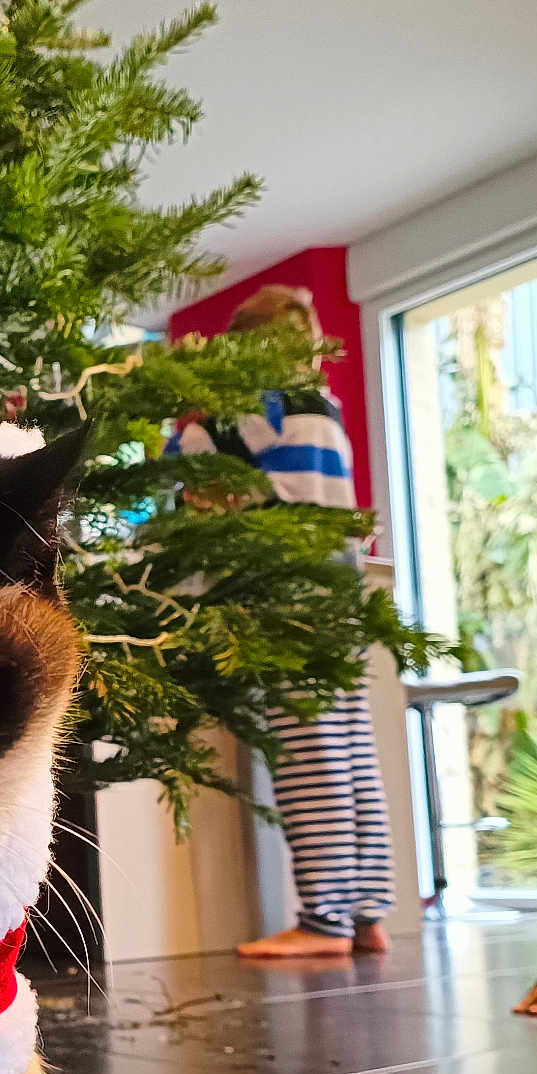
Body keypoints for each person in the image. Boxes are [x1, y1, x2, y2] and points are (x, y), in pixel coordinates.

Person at [166, 284, 394, 957]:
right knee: (351, 750)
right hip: (337, 592)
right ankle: (365, 912)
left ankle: (321, 921)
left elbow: (192, 474)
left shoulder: (259, 410)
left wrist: (190, 422)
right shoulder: (322, 404)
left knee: (306, 756)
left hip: (282, 595)